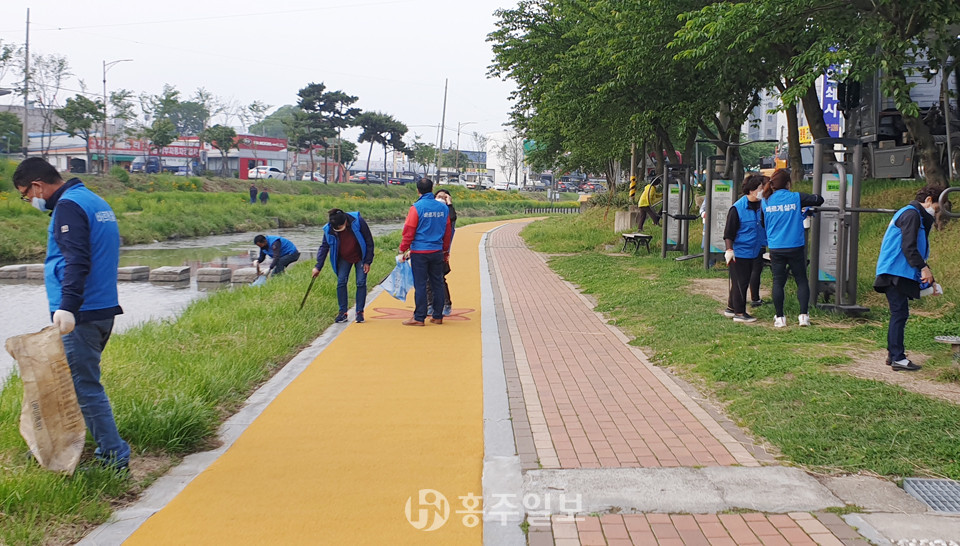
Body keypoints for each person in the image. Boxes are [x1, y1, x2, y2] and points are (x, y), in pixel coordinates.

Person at [12, 157, 130, 472]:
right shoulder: (94, 200)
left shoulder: (68, 207)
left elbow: (76, 259)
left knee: (85, 386)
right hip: (101, 307)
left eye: (26, 195)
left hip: (82, 313)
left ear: (37, 185)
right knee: (69, 382)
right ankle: (55, 447)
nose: (30, 201)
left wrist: (67, 306)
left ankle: (114, 458)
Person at [873, 185, 945, 371]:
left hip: (899, 271)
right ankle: (897, 357)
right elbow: (909, 247)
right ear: (929, 200)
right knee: (899, 313)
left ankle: (893, 355)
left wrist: (928, 276)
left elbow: (915, 250)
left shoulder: (915, 215)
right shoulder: (912, 215)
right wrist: (923, 268)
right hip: (894, 271)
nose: (936, 212)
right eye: (937, 207)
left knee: (900, 313)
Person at [761, 169, 824, 327]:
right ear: (788, 183)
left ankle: (780, 318)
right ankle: (803, 316)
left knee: (778, 282)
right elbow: (818, 199)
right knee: (801, 280)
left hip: (775, 246)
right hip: (795, 246)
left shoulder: (765, 201)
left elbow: (763, 223)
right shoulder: (796, 197)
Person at [399, 178, 453, 326]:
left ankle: (419, 317)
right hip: (437, 251)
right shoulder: (443, 208)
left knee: (421, 284)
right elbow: (447, 231)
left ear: (418, 190)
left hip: (420, 252)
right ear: (432, 188)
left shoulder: (416, 208)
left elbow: (409, 230)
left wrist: (403, 249)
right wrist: (445, 250)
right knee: (437, 283)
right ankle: (437, 316)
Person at [313, 209, 375, 324]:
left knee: (361, 282)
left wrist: (368, 261)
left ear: (346, 221)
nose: (338, 230)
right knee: (341, 282)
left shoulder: (358, 222)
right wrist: (318, 267)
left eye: (340, 227)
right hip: (344, 257)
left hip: (360, 256)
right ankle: (342, 313)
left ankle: (359, 312)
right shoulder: (329, 229)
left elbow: (369, 241)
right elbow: (324, 247)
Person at [722, 174, 767, 323]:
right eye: (761, 188)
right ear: (752, 190)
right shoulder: (737, 209)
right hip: (740, 251)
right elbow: (729, 233)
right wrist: (729, 250)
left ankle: (731, 307)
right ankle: (740, 313)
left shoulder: (762, 205)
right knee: (741, 282)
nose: (763, 191)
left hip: (755, 249)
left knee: (740, 281)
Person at [426, 189, 457, 316]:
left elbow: (452, 218)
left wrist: (449, 204)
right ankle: (430, 304)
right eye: (439, 197)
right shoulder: (430, 212)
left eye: (444, 198)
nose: (441, 199)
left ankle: (446, 304)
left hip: (442, 251)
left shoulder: (448, 214)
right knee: (427, 278)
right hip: (427, 249)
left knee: (439, 278)